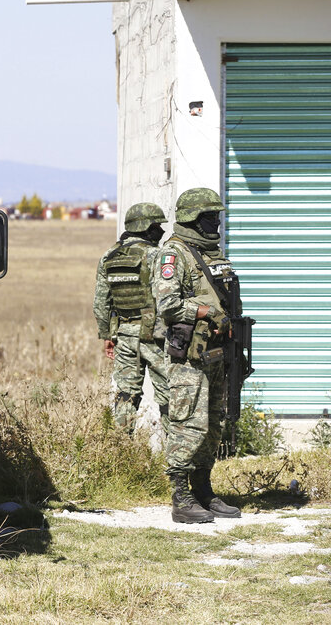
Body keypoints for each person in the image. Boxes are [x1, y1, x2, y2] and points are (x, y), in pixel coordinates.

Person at [154, 188, 242, 524]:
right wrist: (205, 311)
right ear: (192, 219)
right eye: (209, 218)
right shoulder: (174, 255)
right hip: (190, 355)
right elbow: (167, 304)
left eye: (217, 217)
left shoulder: (212, 254)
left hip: (217, 353)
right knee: (188, 423)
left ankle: (203, 489)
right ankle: (181, 496)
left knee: (213, 425)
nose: (215, 224)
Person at [93, 202, 170, 436]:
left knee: (126, 395)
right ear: (146, 227)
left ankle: (120, 451)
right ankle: (174, 459)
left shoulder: (110, 255)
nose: (162, 231)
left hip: (124, 336)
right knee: (169, 395)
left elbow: (101, 303)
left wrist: (107, 335)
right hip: (156, 337)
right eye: (157, 225)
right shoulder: (157, 255)